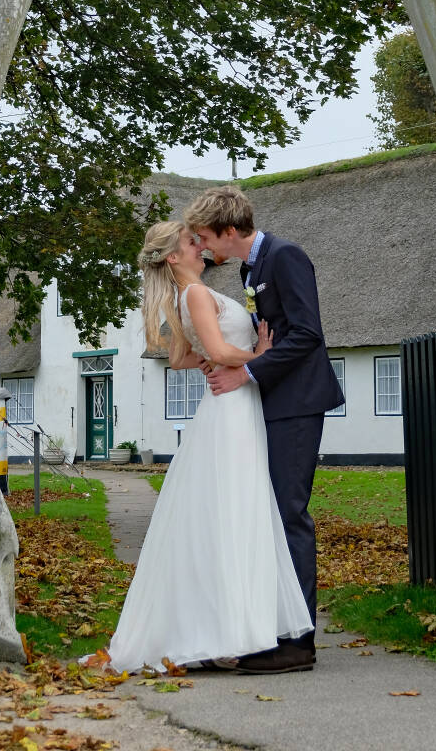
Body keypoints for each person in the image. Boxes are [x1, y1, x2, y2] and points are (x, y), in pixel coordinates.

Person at [101, 220, 313, 675]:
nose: (200, 247)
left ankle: (229, 627)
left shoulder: (186, 296)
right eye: (190, 243)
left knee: (227, 514)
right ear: (173, 258)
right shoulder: (195, 294)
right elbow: (218, 349)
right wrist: (256, 355)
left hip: (229, 407)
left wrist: (217, 361)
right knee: (238, 513)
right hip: (233, 408)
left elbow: (179, 358)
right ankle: (232, 629)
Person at [184, 186, 344, 674]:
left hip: (297, 403)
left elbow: (307, 334)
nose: (203, 247)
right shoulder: (250, 268)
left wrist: (248, 372)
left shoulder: (286, 256)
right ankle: (270, 629)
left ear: (229, 231)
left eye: (206, 237)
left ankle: (298, 643)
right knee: (269, 515)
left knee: (289, 514)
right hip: (270, 404)